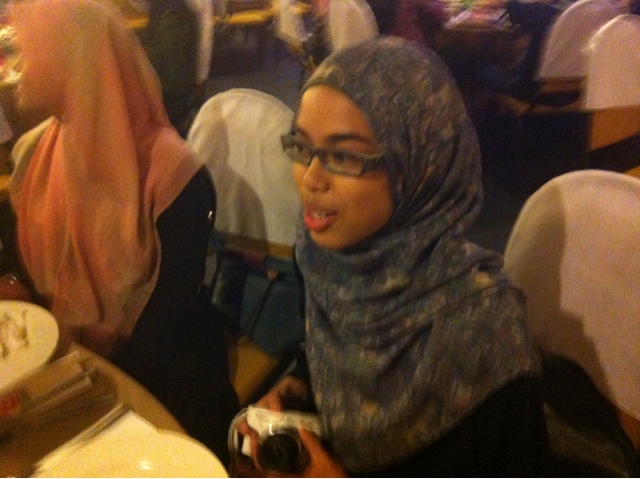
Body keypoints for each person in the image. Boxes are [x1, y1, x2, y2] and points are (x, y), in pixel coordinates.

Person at [239, 37, 548, 476]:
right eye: (302, 147)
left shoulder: (484, 336)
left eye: (343, 156)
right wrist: (304, 384)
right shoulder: (326, 259)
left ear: (419, 163)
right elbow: (338, 350)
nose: (310, 179)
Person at [5, 0, 239, 465]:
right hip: (65, 375)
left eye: (24, 53)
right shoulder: (34, 156)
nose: (14, 71)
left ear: (75, 59)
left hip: (166, 391)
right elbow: (18, 275)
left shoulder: (175, 178)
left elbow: (160, 332)